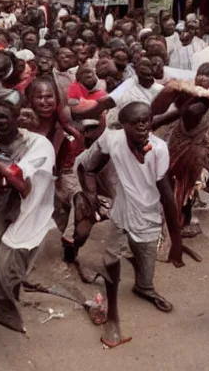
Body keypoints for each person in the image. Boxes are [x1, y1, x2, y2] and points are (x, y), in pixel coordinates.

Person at [74, 102, 185, 348]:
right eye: (136, 122)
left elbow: (167, 195)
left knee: (146, 264)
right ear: (123, 125)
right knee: (110, 259)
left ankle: (144, 288)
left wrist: (176, 241)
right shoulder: (112, 140)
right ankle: (112, 318)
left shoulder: (158, 149)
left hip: (148, 215)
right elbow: (90, 166)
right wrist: (91, 194)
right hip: (122, 211)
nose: (143, 126)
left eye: (147, 120)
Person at [0, 98, 56, 333]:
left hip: (27, 207)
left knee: (17, 256)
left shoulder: (38, 144)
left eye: (4, 116)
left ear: (16, 117)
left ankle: (10, 294)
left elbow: (20, 182)